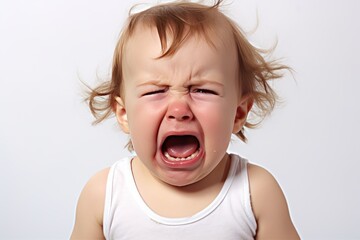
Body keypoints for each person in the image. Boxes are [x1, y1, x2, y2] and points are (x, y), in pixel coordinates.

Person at [71, 0, 300, 239]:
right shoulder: (104, 196)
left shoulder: (255, 193)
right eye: (155, 91)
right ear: (124, 114)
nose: (179, 109)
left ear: (238, 113)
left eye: (202, 90)